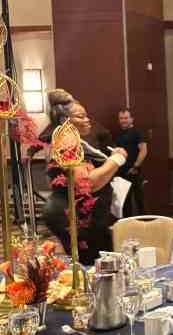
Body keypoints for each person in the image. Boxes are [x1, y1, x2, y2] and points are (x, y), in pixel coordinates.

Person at [43, 89, 127, 265]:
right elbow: (88, 183)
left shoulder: (78, 143)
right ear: (65, 120)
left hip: (89, 217)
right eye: (81, 116)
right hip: (78, 219)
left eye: (86, 115)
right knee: (93, 267)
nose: (87, 120)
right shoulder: (66, 143)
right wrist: (116, 160)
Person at [114, 108, 147, 216]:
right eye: (121, 118)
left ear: (132, 119)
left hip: (134, 172)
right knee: (124, 201)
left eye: (126, 118)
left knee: (139, 200)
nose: (123, 120)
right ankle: (128, 225)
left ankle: (145, 224)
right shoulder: (117, 134)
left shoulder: (137, 132)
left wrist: (135, 167)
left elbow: (143, 150)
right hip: (121, 172)